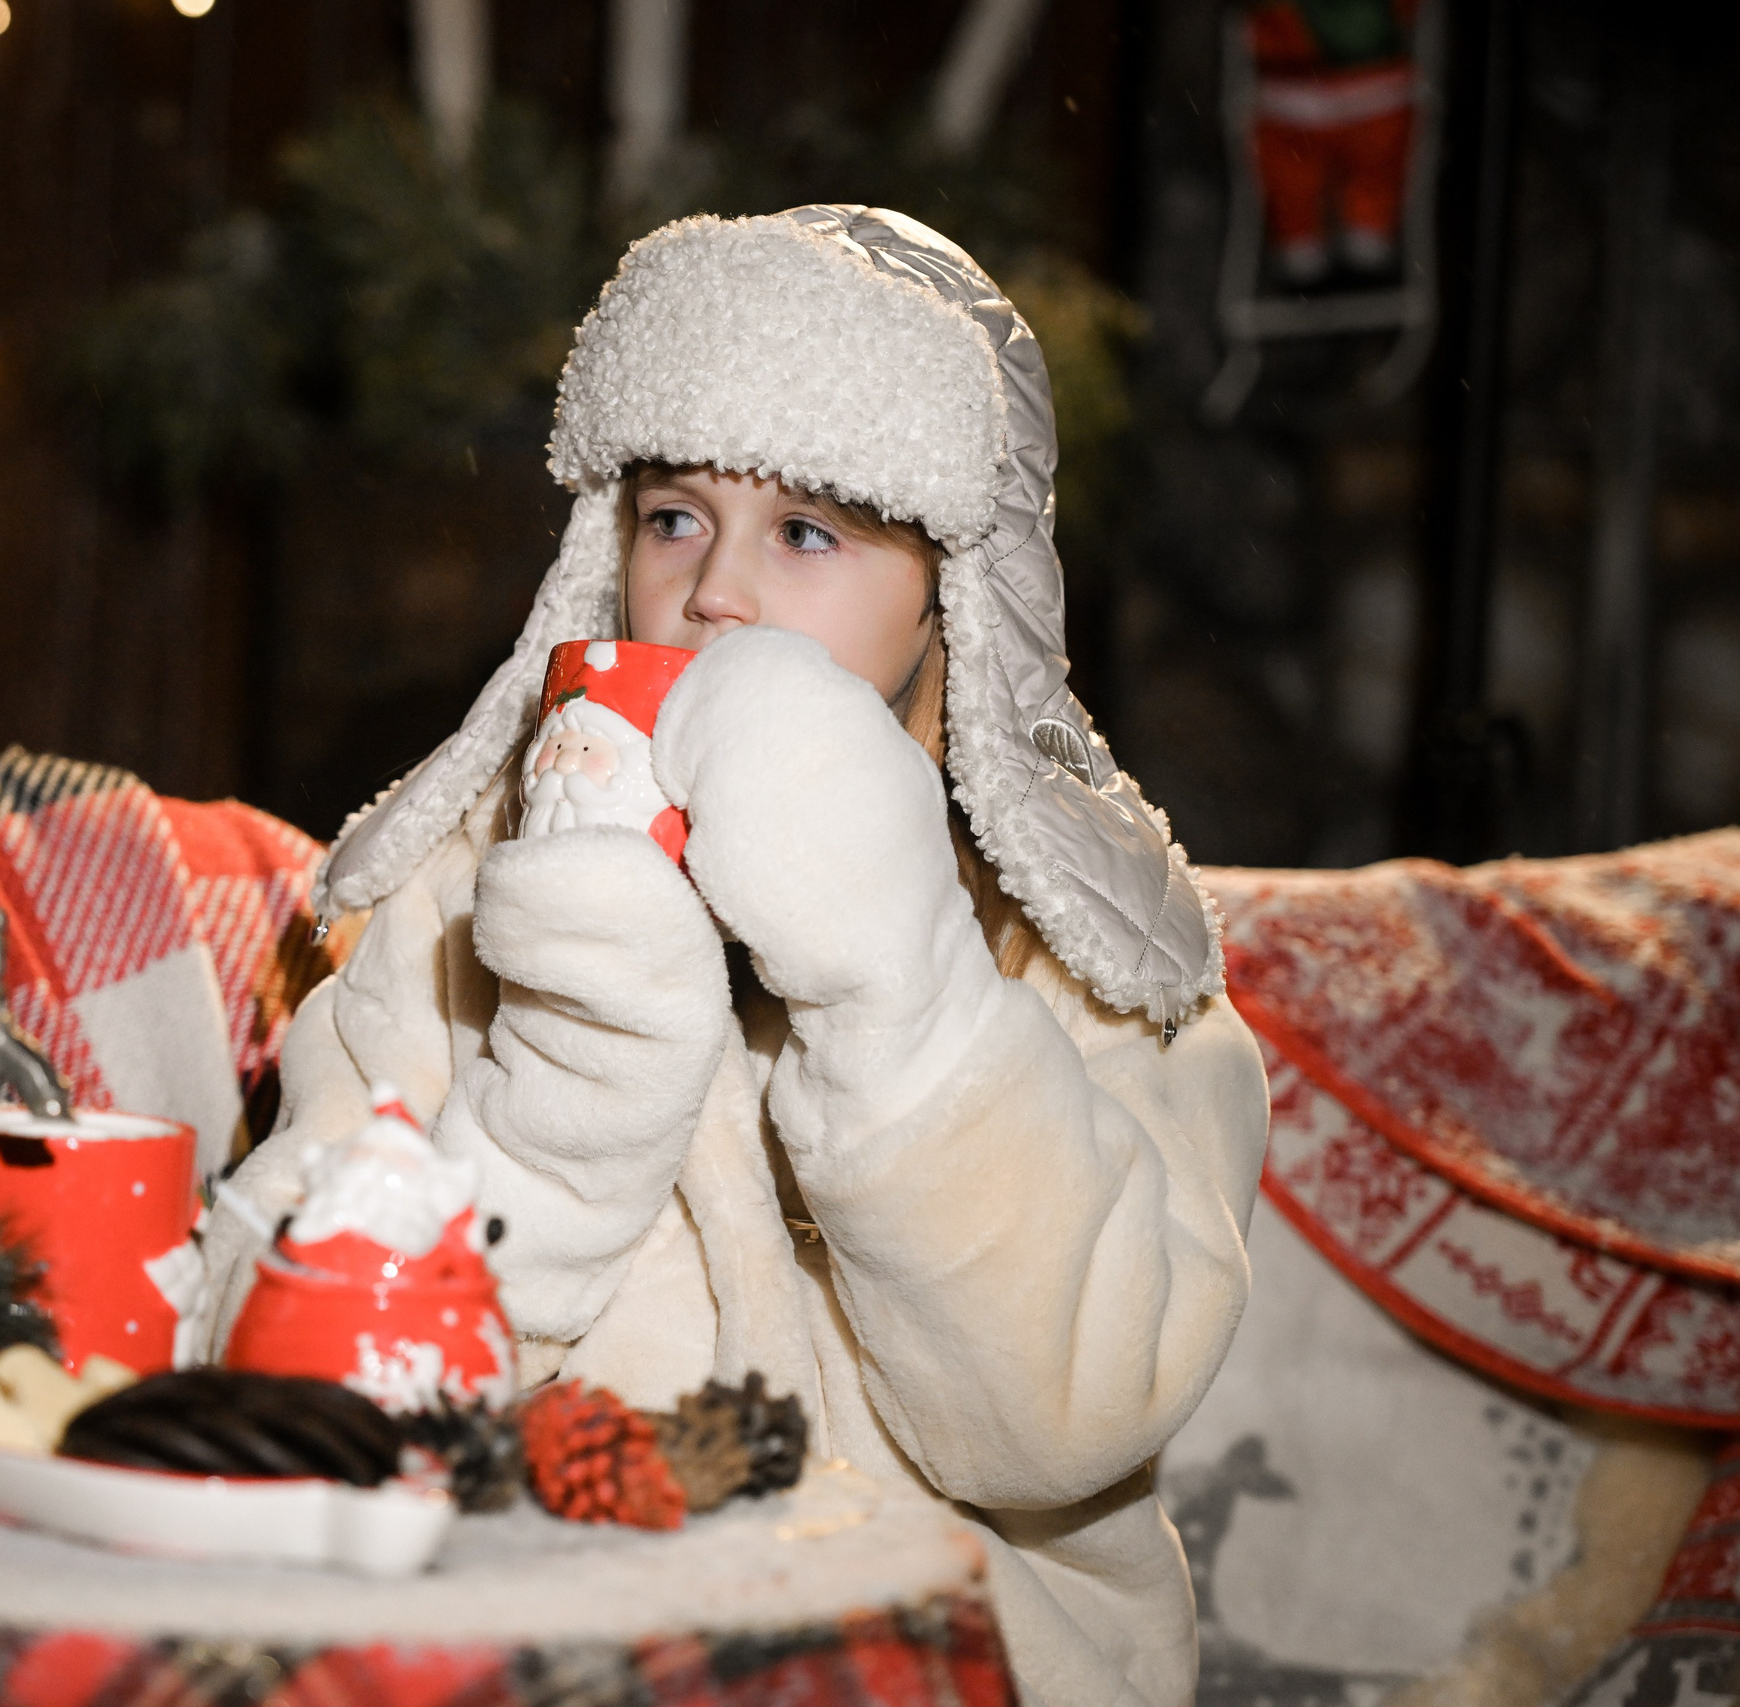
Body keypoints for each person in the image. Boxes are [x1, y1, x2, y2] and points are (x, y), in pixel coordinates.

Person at [200, 205, 1271, 1707]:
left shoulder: (1097, 970)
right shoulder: (473, 903)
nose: (716, 591)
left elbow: (1064, 1427)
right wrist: (572, 1075)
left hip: (959, 1660)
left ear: (946, 593)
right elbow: (304, 1358)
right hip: (540, 1642)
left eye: (809, 533)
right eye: (674, 515)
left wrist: (902, 990)